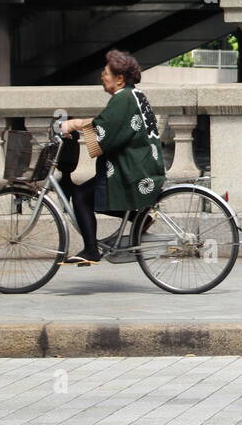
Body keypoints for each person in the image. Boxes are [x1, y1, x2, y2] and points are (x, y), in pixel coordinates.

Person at [57, 50, 166, 265]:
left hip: (132, 170)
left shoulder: (122, 98)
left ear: (119, 79)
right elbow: (109, 126)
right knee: (93, 195)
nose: (102, 75)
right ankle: (141, 217)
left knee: (81, 196)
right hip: (143, 166)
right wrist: (81, 124)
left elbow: (103, 134)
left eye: (106, 72)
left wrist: (73, 124)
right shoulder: (134, 95)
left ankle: (90, 250)